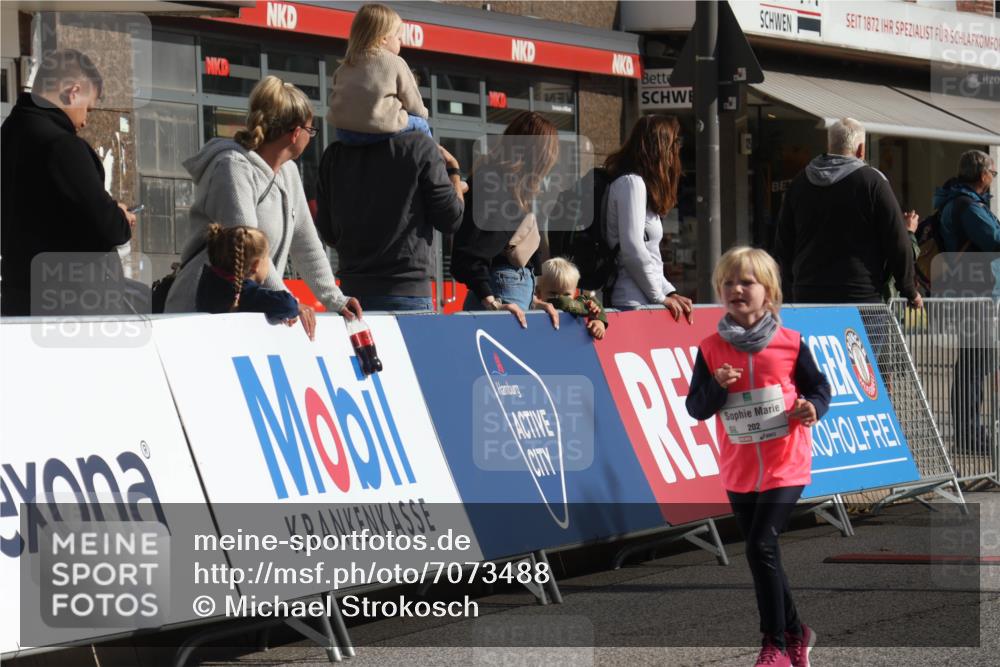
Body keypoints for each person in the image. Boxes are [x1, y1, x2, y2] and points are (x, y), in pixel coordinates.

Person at [686, 247, 831, 667]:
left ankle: (775, 646)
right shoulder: (711, 348)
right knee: (761, 552)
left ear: (768, 292)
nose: (736, 290)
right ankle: (797, 630)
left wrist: (812, 409)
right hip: (739, 468)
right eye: (728, 283)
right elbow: (696, 408)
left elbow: (820, 390)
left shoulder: (790, 344)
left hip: (787, 462)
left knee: (761, 545)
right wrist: (716, 385)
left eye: (746, 282)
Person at [165, 76, 360, 320]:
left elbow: (306, 245)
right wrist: (286, 301)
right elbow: (250, 252)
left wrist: (335, 299)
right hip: (200, 311)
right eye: (311, 130)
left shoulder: (288, 172)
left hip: (246, 309)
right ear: (295, 133)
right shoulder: (232, 167)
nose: (311, 138)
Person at [1, 49, 137, 316]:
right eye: (87, 107)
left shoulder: (7, 134)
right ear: (73, 91)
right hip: (72, 305)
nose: (85, 120)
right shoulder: (62, 146)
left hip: (19, 298)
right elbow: (107, 227)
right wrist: (118, 214)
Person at [774, 117, 922, 309]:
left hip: (808, 296)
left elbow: (783, 244)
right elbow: (897, 241)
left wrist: (790, 289)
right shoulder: (872, 182)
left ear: (829, 145)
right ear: (861, 149)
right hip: (861, 297)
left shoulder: (799, 182)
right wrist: (909, 290)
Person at [315, 124, 464, 312]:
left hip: (350, 295)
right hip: (407, 291)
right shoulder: (420, 146)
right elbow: (451, 219)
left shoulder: (334, 154)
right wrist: (454, 172)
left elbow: (328, 233)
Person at [451, 111, 562, 328]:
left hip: (509, 291)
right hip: (502, 291)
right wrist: (492, 302)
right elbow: (469, 252)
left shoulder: (514, 185)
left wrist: (534, 300)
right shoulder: (496, 182)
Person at [933, 150, 1000, 455]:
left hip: (969, 292)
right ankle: (972, 435)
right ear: (982, 174)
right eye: (993, 173)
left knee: (971, 366)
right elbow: (995, 240)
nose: (994, 178)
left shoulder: (958, 201)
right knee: (974, 366)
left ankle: (970, 433)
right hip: (974, 295)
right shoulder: (967, 205)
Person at [604, 115, 693, 321]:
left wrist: (669, 292)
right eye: (674, 143)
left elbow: (650, 256)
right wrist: (660, 296)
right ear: (659, 147)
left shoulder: (638, 185)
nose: (677, 150)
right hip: (632, 301)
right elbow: (633, 249)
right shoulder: (631, 183)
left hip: (643, 299)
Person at [326, 3, 431, 145]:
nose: (402, 43)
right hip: (380, 130)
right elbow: (413, 102)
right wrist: (424, 114)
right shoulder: (395, 62)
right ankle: (437, 158)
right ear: (384, 38)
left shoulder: (344, 67)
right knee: (420, 123)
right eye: (399, 38)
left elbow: (334, 98)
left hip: (345, 133)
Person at [196, 224, 315, 340]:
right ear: (256, 265)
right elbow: (286, 304)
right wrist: (296, 307)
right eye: (267, 257)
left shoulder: (209, 284)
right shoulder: (246, 295)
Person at [535, 258, 607, 339]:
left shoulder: (578, 302)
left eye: (566, 294)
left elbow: (591, 300)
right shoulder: (532, 309)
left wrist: (599, 321)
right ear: (538, 292)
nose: (560, 298)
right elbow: (563, 302)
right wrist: (585, 310)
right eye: (553, 293)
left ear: (575, 292)